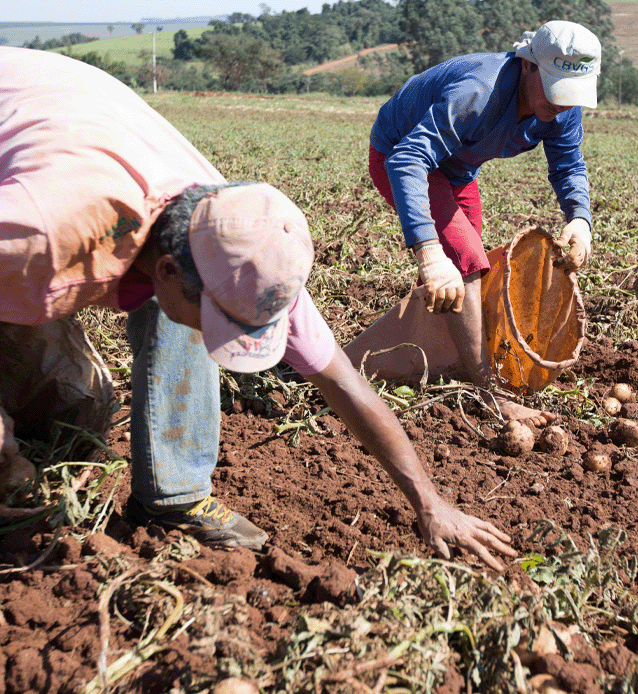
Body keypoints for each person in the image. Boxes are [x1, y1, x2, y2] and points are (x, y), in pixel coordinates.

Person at [0, 46, 516, 571]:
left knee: (69, 408)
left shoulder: (240, 246)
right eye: (224, 322)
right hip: (34, 149)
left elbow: (344, 383)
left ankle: (172, 497)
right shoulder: (41, 233)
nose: (229, 338)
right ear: (167, 272)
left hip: (78, 118)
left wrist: (429, 502)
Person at [369, 20, 601, 427]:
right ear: (528, 65)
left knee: (466, 274)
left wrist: (580, 218)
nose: (562, 103)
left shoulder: (563, 110)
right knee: (465, 261)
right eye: (554, 87)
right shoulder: (479, 91)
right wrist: (428, 253)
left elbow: (568, 163)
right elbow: (407, 160)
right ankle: (489, 393)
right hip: (400, 156)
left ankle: (439, 352)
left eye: (570, 93)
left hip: (458, 170)